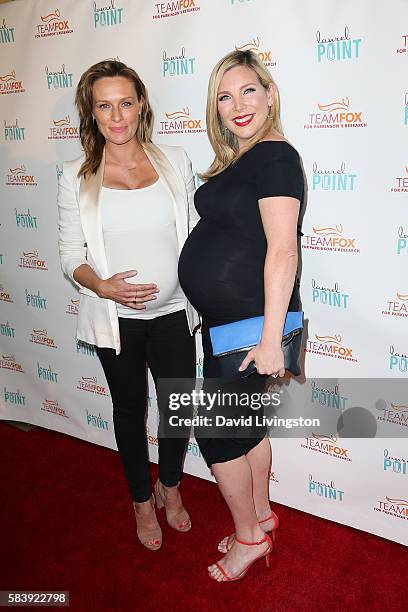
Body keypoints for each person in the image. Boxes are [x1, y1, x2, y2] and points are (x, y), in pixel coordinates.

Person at [57, 60, 199, 551]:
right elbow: (70, 256)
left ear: (141, 106)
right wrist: (102, 285)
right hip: (116, 321)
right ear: (90, 113)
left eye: (125, 102)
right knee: (130, 410)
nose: (116, 116)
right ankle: (142, 500)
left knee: (178, 408)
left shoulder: (175, 160)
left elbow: (195, 235)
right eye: (104, 105)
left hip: (175, 312)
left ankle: (171, 487)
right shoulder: (76, 175)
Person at [178, 50, 304, 581]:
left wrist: (273, 338)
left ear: (269, 93)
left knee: (216, 435)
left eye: (248, 90)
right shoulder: (245, 159)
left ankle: (249, 539)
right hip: (234, 326)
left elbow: (283, 250)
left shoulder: (274, 156)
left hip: (255, 329)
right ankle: (260, 515)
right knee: (245, 430)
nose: (237, 105)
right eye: (224, 97)